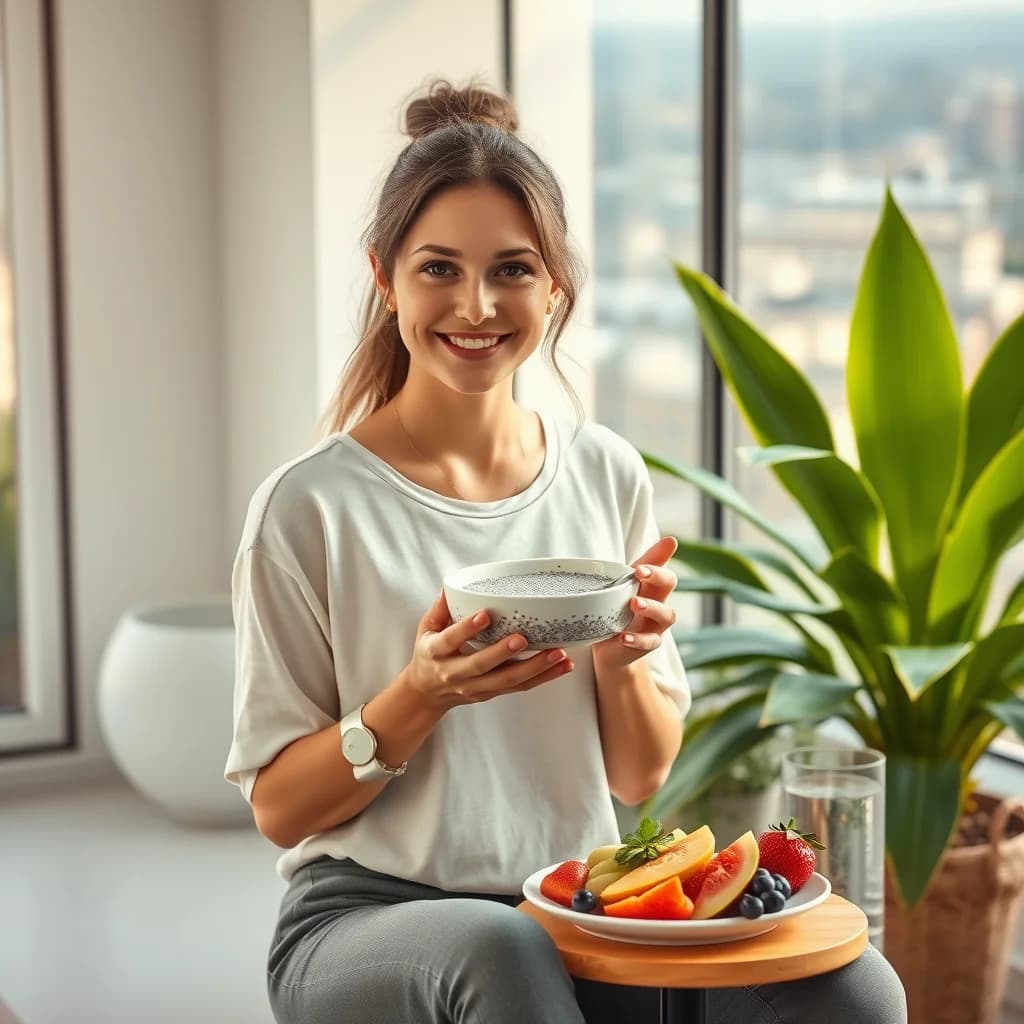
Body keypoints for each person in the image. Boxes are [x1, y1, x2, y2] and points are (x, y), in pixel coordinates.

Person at [225, 78, 907, 1024]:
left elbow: (637, 779)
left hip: (582, 905)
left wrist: (625, 657)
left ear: (556, 287)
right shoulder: (309, 509)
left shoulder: (603, 472)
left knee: (855, 993)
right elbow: (279, 811)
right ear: (384, 277)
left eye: (512, 269)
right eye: (438, 268)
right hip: (366, 918)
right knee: (500, 950)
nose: (475, 305)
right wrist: (420, 695)